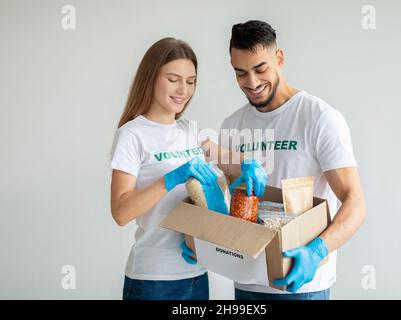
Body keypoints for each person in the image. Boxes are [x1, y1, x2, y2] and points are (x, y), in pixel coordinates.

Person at [182, 20, 367, 300]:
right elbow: (235, 206)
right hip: (247, 283)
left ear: (279, 58)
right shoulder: (233, 124)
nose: (252, 82)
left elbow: (356, 202)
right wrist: (204, 238)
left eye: (261, 68)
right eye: (241, 73)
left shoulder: (318, 117)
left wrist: (317, 251)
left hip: (301, 285)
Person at [110, 37, 266, 300]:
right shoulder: (132, 134)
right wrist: (170, 179)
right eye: (173, 79)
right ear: (151, 78)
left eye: (191, 81)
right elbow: (121, 212)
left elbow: (225, 157)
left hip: (196, 274)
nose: (183, 90)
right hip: (153, 281)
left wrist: (248, 164)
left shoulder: (190, 131)